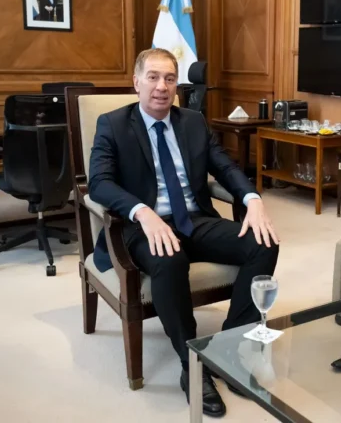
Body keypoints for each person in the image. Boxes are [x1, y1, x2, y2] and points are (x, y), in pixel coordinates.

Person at [88, 48, 279, 417]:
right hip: (143, 226)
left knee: (263, 241)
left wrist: (253, 198)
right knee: (169, 260)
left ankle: (227, 347)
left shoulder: (193, 121)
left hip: (194, 218)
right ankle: (192, 361)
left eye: (170, 79)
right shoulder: (112, 124)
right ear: (136, 82)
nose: (162, 86)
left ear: (177, 85)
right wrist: (142, 212)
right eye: (153, 77)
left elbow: (225, 167)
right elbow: (98, 182)